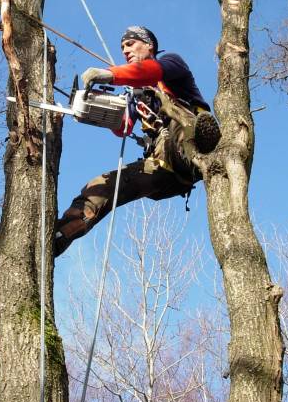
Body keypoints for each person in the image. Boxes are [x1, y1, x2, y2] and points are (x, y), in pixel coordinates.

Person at [54, 26, 220, 255]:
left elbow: (151, 71)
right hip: (163, 167)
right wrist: (98, 110)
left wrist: (112, 74)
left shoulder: (171, 63)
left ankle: (201, 142)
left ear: (149, 45)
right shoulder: (135, 95)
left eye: (130, 44)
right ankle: (58, 237)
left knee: (181, 125)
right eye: (122, 47)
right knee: (99, 188)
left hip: (186, 140)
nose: (125, 50)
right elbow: (123, 128)